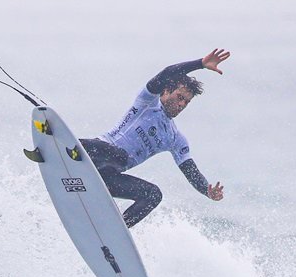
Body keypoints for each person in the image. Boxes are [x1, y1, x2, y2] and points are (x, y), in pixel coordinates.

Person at [80, 48, 230, 228]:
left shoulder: (175, 138)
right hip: (93, 154)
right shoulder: (147, 102)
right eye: (180, 97)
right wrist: (200, 64)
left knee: (153, 195)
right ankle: (64, 147)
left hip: (108, 177)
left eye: (187, 102)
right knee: (119, 155)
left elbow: (190, 170)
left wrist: (207, 190)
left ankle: (116, 230)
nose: (182, 104)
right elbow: (168, 73)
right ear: (166, 91)